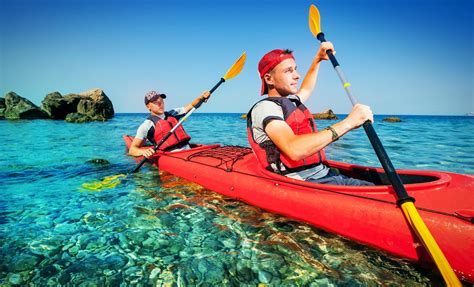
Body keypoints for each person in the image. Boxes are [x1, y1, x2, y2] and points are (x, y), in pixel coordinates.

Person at [247, 43, 374, 186]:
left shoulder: (291, 102)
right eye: (289, 71)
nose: (297, 76)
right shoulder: (265, 108)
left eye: (295, 69)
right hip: (302, 182)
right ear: (269, 79)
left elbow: (307, 88)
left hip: (324, 173)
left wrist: (318, 59)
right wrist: (349, 122)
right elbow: (294, 149)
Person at [129, 90, 210, 158]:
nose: (160, 104)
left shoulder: (173, 113)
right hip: (171, 156)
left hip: (189, 151)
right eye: (155, 102)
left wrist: (201, 98)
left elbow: (192, 105)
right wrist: (143, 151)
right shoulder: (146, 125)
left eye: (161, 101)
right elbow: (132, 150)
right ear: (148, 107)